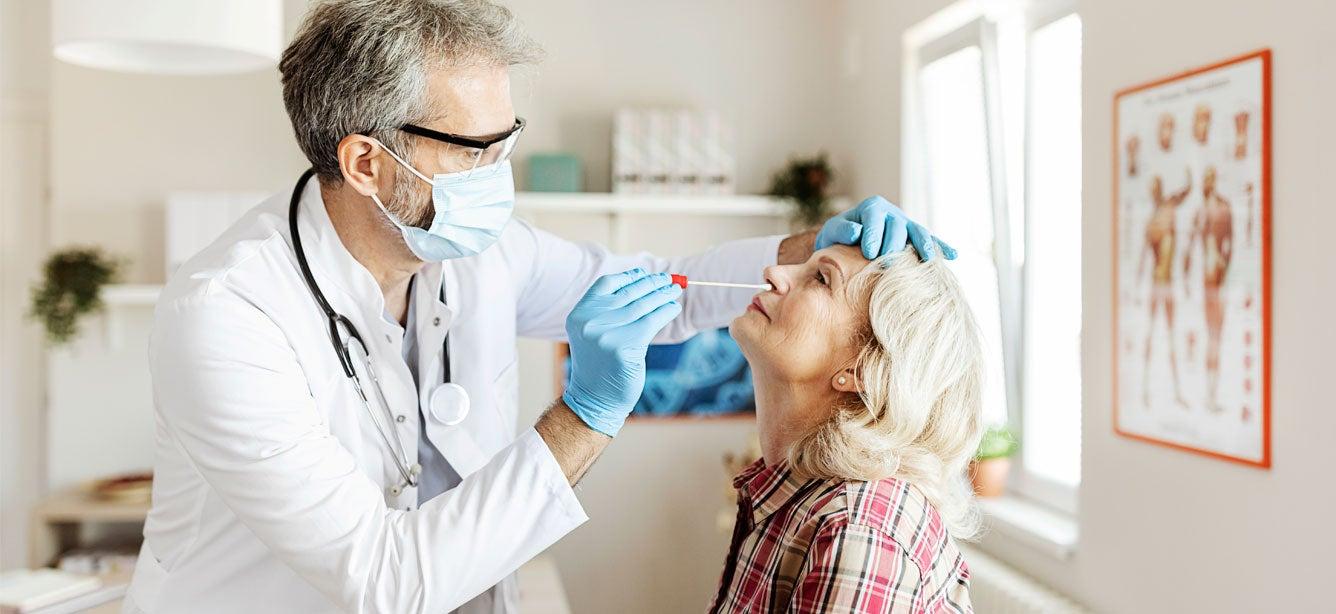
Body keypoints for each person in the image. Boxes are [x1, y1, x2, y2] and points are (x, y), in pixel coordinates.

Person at [124, 1, 953, 612]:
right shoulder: (228, 317)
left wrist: (805, 250)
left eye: (508, 138)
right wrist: (584, 414)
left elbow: (660, 290)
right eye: (479, 151)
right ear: (367, 163)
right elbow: (384, 578)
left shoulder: (475, 248)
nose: (504, 174)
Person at [707, 244, 983, 614]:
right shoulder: (803, 500)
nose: (773, 273)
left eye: (821, 278)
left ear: (860, 370)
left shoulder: (860, 529)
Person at [1137, 170, 1193, 409]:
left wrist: (1190, 172)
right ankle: (1145, 388)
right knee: (1151, 332)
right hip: (1157, 283)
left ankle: (1176, 390)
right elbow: (1142, 259)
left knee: (1170, 336)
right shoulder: (1152, 224)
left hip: (1167, 283)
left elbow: (1185, 191)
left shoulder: (1168, 210)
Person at [1184, 166, 1234, 412]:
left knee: (1215, 338)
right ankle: (1210, 395)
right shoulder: (1212, 210)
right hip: (1214, 279)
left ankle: (1211, 394)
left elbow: (1192, 250)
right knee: (1215, 338)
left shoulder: (1213, 210)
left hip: (1214, 279)